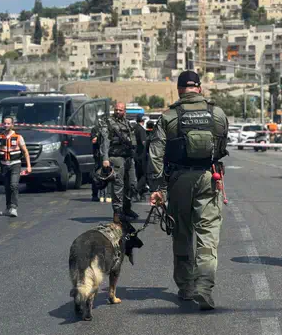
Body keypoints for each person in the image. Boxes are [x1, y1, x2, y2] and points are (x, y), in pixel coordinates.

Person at [149, 71, 229, 310]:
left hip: (179, 179)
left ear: (179, 89)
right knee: (208, 233)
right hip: (208, 176)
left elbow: (155, 155)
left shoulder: (169, 116)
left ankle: (186, 288)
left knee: (182, 233)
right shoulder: (217, 113)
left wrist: (157, 188)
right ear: (200, 89)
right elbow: (222, 145)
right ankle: (204, 287)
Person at [98, 102, 139, 221]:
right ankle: (117, 212)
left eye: (120, 110)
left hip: (128, 158)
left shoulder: (127, 123)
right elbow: (105, 141)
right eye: (116, 110)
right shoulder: (109, 123)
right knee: (118, 186)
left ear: (124, 111)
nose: (117, 112)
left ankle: (127, 208)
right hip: (116, 157)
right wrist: (105, 158)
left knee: (132, 184)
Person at [0, 116, 31, 217]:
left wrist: (29, 166)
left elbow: (25, 152)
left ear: (12, 125)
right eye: (4, 123)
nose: (6, 125)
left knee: (14, 185)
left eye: (8, 123)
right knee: (7, 187)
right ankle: (8, 208)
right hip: (4, 165)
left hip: (15, 164)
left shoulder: (18, 137)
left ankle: (14, 207)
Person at [134, 115, 149, 201]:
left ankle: (141, 193)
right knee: (145, 175)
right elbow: (144, 143)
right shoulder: (141, 130)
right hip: (141, 155)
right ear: (143, 121)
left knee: (139, 174)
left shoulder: (134, 128)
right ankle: (137, 190)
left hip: (135, 155)